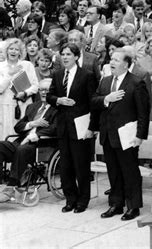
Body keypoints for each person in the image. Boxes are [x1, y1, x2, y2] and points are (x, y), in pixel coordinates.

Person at [92, 48, 149, 220]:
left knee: (130, 171)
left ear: (126, 64)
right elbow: (94, 101)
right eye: (111, 59)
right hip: (108, 134)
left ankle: (133, 206)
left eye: (116, 60)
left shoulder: (136, 82)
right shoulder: (105, 81)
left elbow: (143, 113)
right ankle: (116, 204)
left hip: (127, 136)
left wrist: (140, 136)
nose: (112, 62)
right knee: (113, 171)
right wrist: (106, 99)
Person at [46, 43, 97, 213]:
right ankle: (70, 198)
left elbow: (92, 102)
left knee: (81, 165)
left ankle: (83, 200)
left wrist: (91, 127)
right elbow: (49, 96)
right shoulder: (58, 74)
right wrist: (58, 100)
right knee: (65, 165)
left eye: (69, 54)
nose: (65, 57)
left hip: (80, 126)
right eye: (63, 54)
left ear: (76, 56)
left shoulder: (86, 75)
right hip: (63, 126)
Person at [0, 79, 57, 202]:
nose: (43, 93)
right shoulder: (32, 106)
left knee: (22, 149)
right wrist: (32, 123)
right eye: (41, 90)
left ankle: (10, 187)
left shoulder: (57, 109)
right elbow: (18, 127)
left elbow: (54, 129)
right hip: (21, 142)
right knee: (1, 145)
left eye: (47, 90)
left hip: (40, 145)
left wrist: (31, 137)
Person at [0, 38, 39, 139]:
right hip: (5, 106)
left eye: (16, 49)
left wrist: (25, 93)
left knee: (21, 135)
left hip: (24, 105)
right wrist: (10, 74)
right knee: (6, 135)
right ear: (6, 50)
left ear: (20, 52)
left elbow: (35, 86)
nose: (13, 51)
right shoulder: (1, 66)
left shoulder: (27, 65)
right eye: (11, 49)